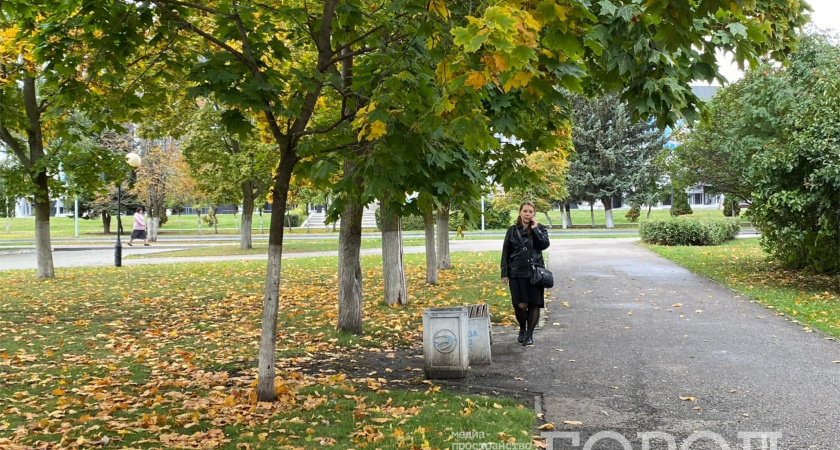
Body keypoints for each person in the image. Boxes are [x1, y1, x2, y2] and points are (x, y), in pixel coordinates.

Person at [500, 201, 550, 346]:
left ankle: (529, 334)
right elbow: (506, 252)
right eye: (525, 211)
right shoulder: (512, 230)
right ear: (520, 212)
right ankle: (522, 328)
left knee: (534, 304)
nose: (527, 214)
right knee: (520, 306)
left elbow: (544, 245)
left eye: (530, 211)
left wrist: (535, 229)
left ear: (534, 214)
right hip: (516, 272)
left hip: (535, 272)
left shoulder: (540, 228)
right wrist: (505, 272)